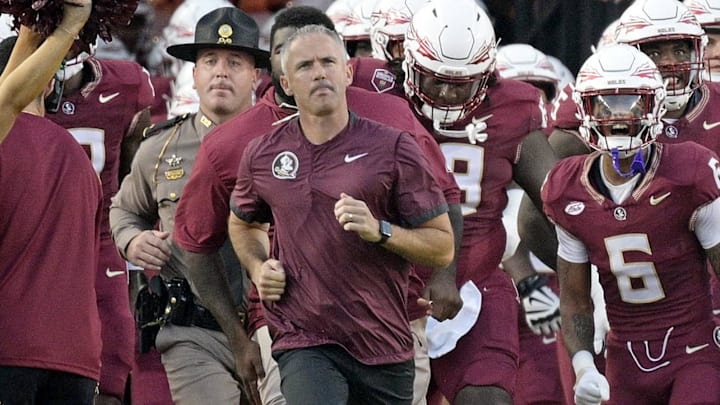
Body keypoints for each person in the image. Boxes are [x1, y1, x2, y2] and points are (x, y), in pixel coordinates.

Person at [172, 6, 462, 405]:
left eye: (327, 60)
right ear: (281, 74)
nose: (319, 72)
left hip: (389, 324)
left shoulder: (394, 126)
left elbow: (443, 213)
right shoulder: (245, 147)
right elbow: (210, 236)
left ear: (346, 69)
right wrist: (256, 275)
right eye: (301, 62)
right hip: (296, 332)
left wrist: (386, 235)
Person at [542, 43, 720, 405]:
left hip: (695, 349)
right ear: (583, 110)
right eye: (604, 104)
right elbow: (575, 299)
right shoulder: (567, 190)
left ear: (655, 104)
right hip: (625, 357)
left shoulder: (690, 173)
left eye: (631, 101)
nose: (618, 116)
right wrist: (583, 365)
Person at [400, 1, 558, 404]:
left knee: (487, 397)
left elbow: (557, 197)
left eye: (463, 83)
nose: (449, 93)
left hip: (476, 278)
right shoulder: (376, 94)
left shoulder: (514, 108)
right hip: (386, 285)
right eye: (435, 80)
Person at [109, 7, 269, 404]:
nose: (221, 72)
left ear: (256, 75)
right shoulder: (160, 148)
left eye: (235, 62)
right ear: (193, 74)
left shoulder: (284, 142)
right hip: (193, 331)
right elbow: (123, 209)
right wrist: (132, 240)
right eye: (209, 61)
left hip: (278, 325)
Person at [0, 0, 101, 402]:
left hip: (8, 348)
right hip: (76, 355)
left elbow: (9, 97)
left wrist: (50, 26)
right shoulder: (82, 160)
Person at [45, 38, 155, 405]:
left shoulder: (125, 87)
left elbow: (131, 186)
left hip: (97, 244)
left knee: (110, 365)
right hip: (28, 242)